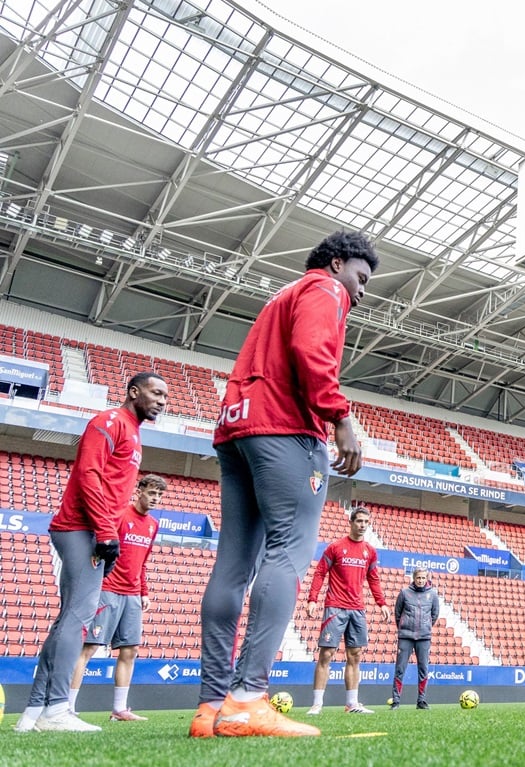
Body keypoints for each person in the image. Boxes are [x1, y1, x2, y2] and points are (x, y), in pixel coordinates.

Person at [192, 230, 378, 738]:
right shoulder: (325, 290)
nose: (361, 292)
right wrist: (339, 416)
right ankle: (248, 698)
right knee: (288, 553)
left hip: (237, 428)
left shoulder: (284, 294)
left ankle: (211, 708)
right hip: (284, 428)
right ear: (337, 263)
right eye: (361, 278)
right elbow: (310, 349)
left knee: (232, 562)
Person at [15, 372, 169, 733]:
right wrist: (105, 531)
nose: (162, 400)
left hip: (91, 529)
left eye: (166, 396)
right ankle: (56, 709)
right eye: (156, 392)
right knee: (78, 617)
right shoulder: (109, 421)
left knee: (68, 619)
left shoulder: (133, 431)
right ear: (134, 392)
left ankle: (35, 711)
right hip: (80, 528)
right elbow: (88, 474)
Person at [67, 474, 169, 721]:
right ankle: (67, 707)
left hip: (133, 595)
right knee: (90, 648)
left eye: (159, 495)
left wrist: (144, 591)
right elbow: (101, 548)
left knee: (130, 650)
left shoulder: (153, 525)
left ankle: (119, 710)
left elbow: (143, 562)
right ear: (140, 491)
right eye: (151, 493)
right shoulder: (121, 516)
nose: (155, 498)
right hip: (108, 589)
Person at [305, 506, 391, 715]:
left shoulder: (370, 551)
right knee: (327, 653)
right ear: (351, 522)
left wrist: (382, 603)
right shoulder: (335, 547)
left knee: (355, 655)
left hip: (357, 609)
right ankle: (317, 704)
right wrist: (312, 599)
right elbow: (319, 573)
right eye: (359, 521)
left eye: (366, 522)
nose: (363, 526)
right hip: (335, 607)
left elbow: (373, 578)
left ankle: (351, 703)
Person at [390, 568, 440, 709]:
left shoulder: (433, 595)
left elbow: (434, 615)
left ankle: (421, 701)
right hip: (406, 636)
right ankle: (396, 701)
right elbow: (397, 614)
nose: (421, 580)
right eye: (418, 578)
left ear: (427, 578)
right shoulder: (404, 593)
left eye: (423, 578)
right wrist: (404, 627)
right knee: (400, 669)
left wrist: (426, 626)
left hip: (424, 637)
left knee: (423, 669)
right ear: (414, 578)